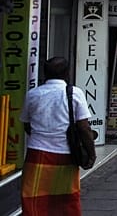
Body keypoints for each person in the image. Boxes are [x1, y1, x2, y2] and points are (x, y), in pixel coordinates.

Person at [20, 57, 97, 215]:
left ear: (45, 74)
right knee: (65, 201)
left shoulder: (32, 94)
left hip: (37, 154)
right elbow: (84, 128)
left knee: (34, 199)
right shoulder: (75, 93)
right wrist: (91, 153)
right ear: (67, 74)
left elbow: (27, 125)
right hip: (65, 155)